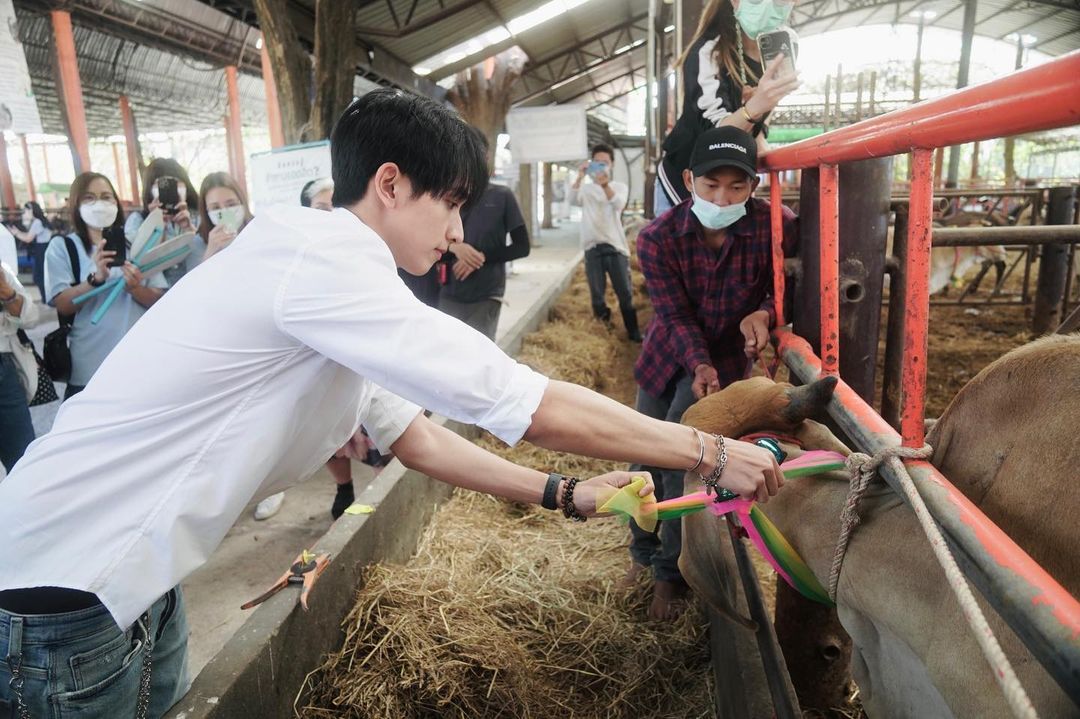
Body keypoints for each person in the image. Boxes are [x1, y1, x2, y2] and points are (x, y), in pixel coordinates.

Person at [0, 90, 781, 717]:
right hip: (63, 591)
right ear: (389, 183)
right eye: (451, 204)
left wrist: (566, 492)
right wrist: (707, 451)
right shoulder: (323, 259)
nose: (455, 230)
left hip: (135, 576)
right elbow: (520, 398)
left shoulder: (326, 275)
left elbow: (413, 437)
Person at [627, 126, 797, 620]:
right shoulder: (657, 238)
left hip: (724, 367)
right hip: (668, 359)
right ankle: (641, 554)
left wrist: (765, 310)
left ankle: (669, 576)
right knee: (643, 461)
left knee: (684, 468)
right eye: (710, 185)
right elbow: (674, 314)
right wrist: (697, 362)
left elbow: (793, 280)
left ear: (753, 187)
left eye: (736, 187)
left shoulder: (774, 227)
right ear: (688, 180)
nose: (723, 197)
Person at [654, 0, 801, 215]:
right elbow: (714, 135)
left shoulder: (786, 44)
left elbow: (767, 108)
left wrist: (759, 125)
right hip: (688, 177)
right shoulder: (708, 51)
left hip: (734, 180)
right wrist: (753, 107)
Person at [44, 172, 168, 400]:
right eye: (89, 197)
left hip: (140, 363)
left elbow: (160, 300)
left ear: (116, 202)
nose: (99, 203)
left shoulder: (138, 242)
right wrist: (95, 279)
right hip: (90, 369)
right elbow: (63, 304)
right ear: (76, 203)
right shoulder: (63, 247)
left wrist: (136, 289)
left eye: (106, 196)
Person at [439, 128, 530, 341]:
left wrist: (478, 257)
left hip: (487, 294)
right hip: (448, 293)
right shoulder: (441, 195)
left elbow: (522, 247)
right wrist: (455, 249)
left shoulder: (502, 196)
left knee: (476, 360)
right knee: (446, 358)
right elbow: (424, 243)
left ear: (486, 158)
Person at [568, 143, 641, 342]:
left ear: (612, 165)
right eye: (597, 162)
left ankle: (633, 333)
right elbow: (572, 200)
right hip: (592, 248)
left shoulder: (619, 187)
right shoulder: (587, 189)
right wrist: (580, 176)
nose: (601, 166)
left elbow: (618, 204)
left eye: (605, 163)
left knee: (625, 294)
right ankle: (605, 331)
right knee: (597, 297)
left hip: (616, 248)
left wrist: (605, 184)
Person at [125, 158, 201, 285]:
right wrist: (154, 224)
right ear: (150, 189)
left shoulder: (199, 216)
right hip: (155, 295)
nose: (172, 189)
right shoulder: (137, 220)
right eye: (162, 184)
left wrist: (189, 230)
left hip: (195, 287)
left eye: (177, 182)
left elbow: (205, 256)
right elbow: (136, 264)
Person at [0, 259, 39, 473]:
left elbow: (31, 317)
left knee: (24, 461)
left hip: (4, 367)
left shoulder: (3, 272)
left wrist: (7, 293)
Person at [10, 201, 53, 301]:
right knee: (41, 275)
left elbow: (28, 238)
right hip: (43, 249)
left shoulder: (37, 222)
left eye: (26, 210)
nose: (25, 213)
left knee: (39, 276)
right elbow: (28, 236)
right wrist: (17, 232)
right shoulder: (41, 221)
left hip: (41, 250)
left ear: (32, 210)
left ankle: (47, 299)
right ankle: (47, 298)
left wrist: (16, 233)